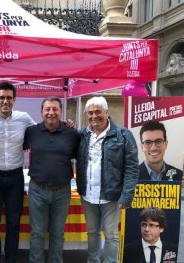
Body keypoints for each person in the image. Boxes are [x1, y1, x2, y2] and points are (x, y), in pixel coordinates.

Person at [76, 96, 139, 263]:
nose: (94, 116)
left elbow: (132, 168)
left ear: (106, 112)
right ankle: (93, 260)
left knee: (111, 235)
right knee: (92, 232)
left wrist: (127, 195)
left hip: (111, 196)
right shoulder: (82, 135)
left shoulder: (123, 135)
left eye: (98, 112)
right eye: (90, 113)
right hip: (88, 195)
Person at [24, 96, 80, 263]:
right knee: (38, 232)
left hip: (62, 191)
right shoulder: (31, 132)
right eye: (47, 109)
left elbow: (80, 157)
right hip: (37, 190)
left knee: (57, 233)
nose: (51, 113)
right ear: (41, 112)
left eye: (55, 109)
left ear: (61, 112)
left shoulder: (72, 134)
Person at [0, 82, 35, 263]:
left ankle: (11, 258)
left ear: (15, 100)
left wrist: (65, 125)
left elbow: (42, 131)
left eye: (9, 98)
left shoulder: (25, 118)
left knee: (14, 222)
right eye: (2, 97)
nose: (5, 101)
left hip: (15, 177)